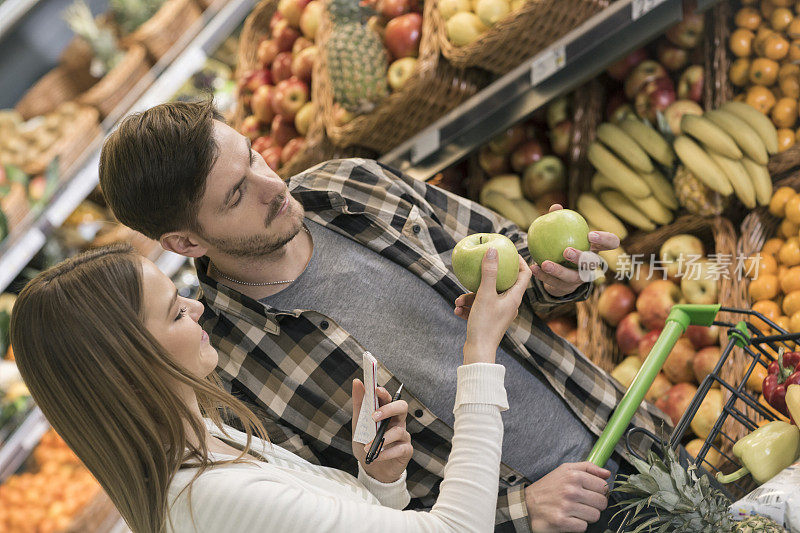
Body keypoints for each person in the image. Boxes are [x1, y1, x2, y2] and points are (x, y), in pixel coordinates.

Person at [99, 101, 672, 532]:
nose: (272, 186)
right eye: (234, 196)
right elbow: (358, 511)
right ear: (184, 241)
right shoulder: (225, 367)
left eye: (253, 155)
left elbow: (508, 257)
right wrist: (522, 510)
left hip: (621, 434)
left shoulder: (355, 185)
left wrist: (557, 276)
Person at [10, 243, 547, 532]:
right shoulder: (210, 496)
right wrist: (479, 351)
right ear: (130, 366)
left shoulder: (205, 439)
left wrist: (377, 482)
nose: (197, 308)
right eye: (176, 312)